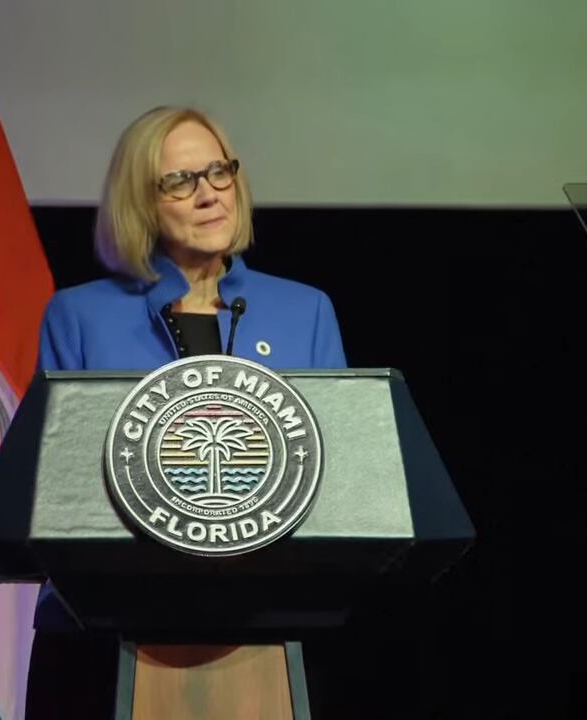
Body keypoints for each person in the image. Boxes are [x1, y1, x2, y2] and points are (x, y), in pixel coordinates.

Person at [25, 105, 348, 718]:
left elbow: (336, 480)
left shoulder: (303, 310)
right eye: (180, 181)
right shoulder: (81, 315)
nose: (209, 195)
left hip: (264, 625)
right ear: (140, 202)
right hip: (107, 627)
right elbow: (55, 486)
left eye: (219, 172)